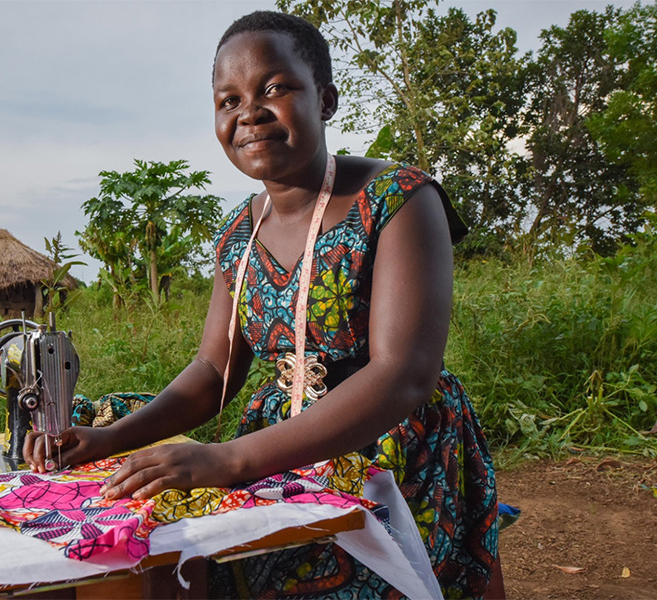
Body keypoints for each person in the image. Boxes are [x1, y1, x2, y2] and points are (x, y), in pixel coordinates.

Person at [25, 10, 500, 599]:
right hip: (278, 453)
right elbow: (214, 371)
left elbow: (403, 375)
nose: (248, 112)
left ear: (325, 99)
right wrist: (109, 438)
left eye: (275, 88)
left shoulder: (397, 199)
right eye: (228, 100)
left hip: (392, 453)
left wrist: (230, 460)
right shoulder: (238, 237)